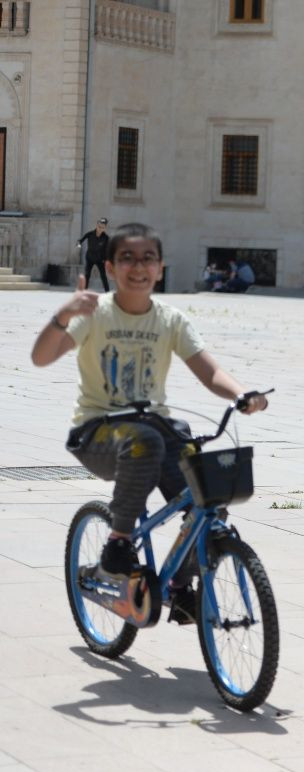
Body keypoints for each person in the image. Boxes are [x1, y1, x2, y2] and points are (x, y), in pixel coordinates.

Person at [30, 222, 269, 623]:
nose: (138, 268)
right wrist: (63, 315)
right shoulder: (94, 314)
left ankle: (180, 587)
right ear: (111, 265)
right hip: (97, 432)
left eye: (148, 259)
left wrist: (243, 394)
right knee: (146, 441)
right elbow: (41, 357)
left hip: (152, 430)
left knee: (207, 499)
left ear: (160, 268)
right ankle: (118, 542)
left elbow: (209, 372)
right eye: (127, 259)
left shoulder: (170, 319)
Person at [77, 218, 111, 291]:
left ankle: (107, 292)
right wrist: (79, 245)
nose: (100, 229)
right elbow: (79, 241)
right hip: (90, 258)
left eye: (102, 227)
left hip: (100, 259)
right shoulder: (90, 234)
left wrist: (106, 260)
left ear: (105, 228)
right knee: (87, 275)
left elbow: (107, 250)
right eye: (99, 226)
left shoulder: (106, 238)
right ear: (97, 225)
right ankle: (84, 291)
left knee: (103, 276)